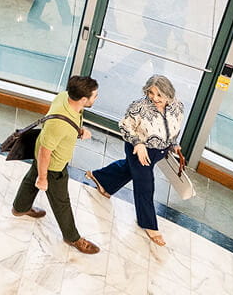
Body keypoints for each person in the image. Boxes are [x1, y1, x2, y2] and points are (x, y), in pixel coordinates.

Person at [86, 74, 185, 246]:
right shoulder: (138, 107)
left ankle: (101, 179)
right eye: (151, 93)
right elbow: (124, 126)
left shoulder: (177, 106)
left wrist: (174, 144)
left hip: (159, 152)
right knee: (145, 185)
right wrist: (138, 144)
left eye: (159, 95)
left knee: (128, 169)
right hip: (139, 150)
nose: (154, 98)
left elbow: (174, 128)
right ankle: (149, 224)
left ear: (169, 94)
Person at [11, 75, 101, 255]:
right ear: (84, 99)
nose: (96, 98)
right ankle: (73, 237)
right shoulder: (59, 124)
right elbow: (45, 151)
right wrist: (44, 178)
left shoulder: (64, 98)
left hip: (44, 154)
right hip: (53, 166)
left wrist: (79, 131)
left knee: (31, 179)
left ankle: (20, 208)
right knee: (62, 202)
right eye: (95, 95)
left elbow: (66, 125)